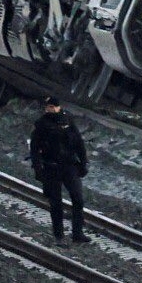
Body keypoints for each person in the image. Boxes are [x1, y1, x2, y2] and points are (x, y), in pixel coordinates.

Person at [30, 95, 91, 244]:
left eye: (52, 107)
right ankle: (59, 236)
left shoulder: (68, 121)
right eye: (48, 107)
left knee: (78, 199)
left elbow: (79, 143)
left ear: (58, 107)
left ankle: (77, 233)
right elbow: (34, 149)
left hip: (69, 166)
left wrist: (84, 163)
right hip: (51, 167)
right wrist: (38, 170)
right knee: (56, 203)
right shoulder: (41, 125)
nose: (49, 109)